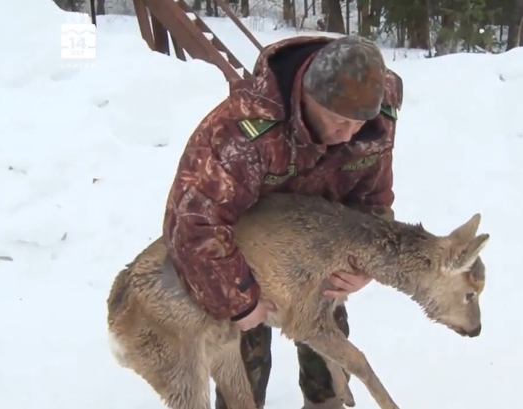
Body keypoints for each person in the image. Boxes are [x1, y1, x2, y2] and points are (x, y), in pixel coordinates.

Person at [161, 34, 403, 409]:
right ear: (307, 96)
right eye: (338, 120)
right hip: (244, 256)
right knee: (244, 354)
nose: (348, 134)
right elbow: (194, 224)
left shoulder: (375, 115)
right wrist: (238, 301)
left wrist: (364, 264)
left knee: (330, 342)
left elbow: (372, 199)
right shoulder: (239, 131)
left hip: (317, 252)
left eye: (358, 123)